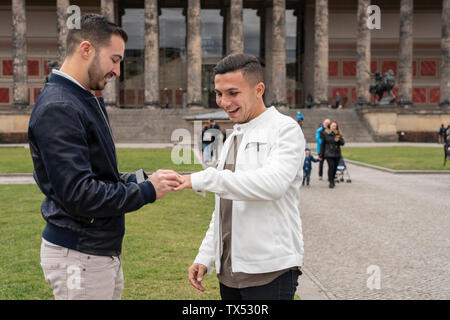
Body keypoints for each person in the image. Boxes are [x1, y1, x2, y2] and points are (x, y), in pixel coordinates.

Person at [28, 14, 184, 300]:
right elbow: (80, 194)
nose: (118, 71)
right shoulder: (60, 107)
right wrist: (147, 192)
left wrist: (141, 178)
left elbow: (98, 175)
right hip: (79, 254)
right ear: (86, 49)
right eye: (114, 59)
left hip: (95, 251)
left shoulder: (82, 98)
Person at [174, 53, 305, 300]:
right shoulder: (234, 136)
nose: (223, 102)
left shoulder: (285, 129)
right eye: (218, 93)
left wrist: (202, 178)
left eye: (233, 93)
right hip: (230, 272)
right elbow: (224, 207)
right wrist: (205, 255)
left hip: (270, 271)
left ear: (259, 90)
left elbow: (272, 185)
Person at [319, 120, 345, 189]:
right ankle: (331, 182)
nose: (334, 127)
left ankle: (332, 179)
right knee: (331, 167)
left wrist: (338, 140)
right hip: (328, 153)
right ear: (330, 126)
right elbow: (322, 144)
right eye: (333, 126)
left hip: (337, 154)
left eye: (335, 126)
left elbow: (343, 143)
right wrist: (321, 155)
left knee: (335, 168)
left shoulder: (338, 133)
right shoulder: (325, 133)